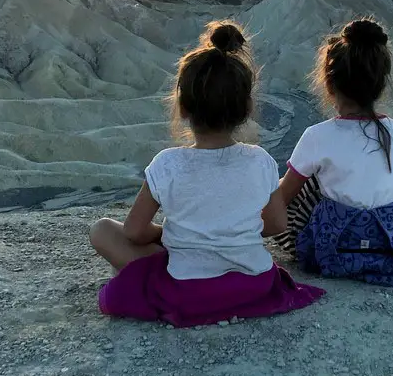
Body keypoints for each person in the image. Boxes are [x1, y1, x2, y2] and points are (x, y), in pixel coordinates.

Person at [89, 20, 325, 327]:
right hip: (254, 285)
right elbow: (277, 223)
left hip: (189, 292)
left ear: (183, 108)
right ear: (246, 108)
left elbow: (134, 232)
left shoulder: (167, 163)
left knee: (102, 230)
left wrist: (170, 234)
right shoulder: (260, 161)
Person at [274, 18, 393, 287]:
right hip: (391, 250)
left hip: (330, 255)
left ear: (330, 86)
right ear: (380, 85)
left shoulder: (317, 135)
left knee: (306, 182)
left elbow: (283, 198)